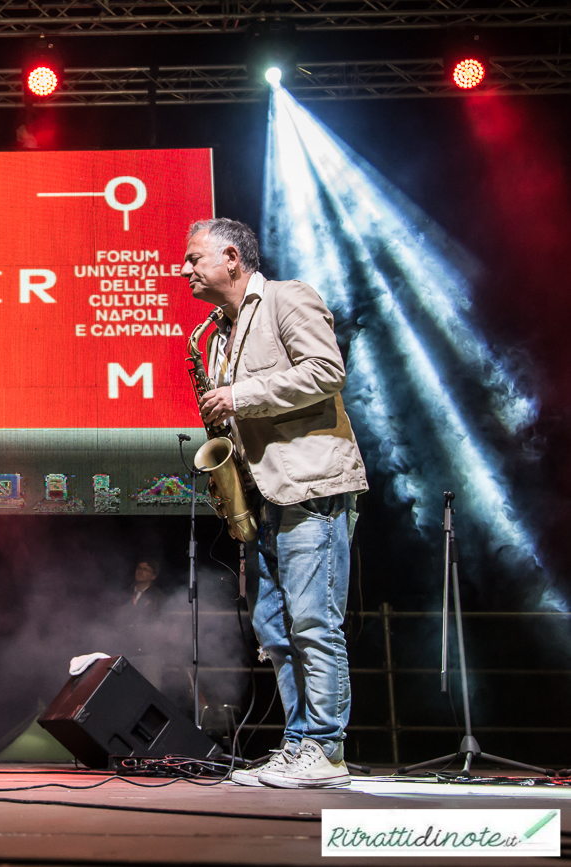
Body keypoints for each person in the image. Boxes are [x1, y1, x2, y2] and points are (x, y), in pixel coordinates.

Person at [181, 218, 367, 788]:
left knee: (314, 620)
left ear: (232, 258)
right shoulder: (212, 334)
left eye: (194, 259)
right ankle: (298, 742)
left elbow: (327, 371)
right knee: (273, 628)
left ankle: (327, 747)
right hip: (262, 495)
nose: (184, 270)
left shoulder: (289, 299)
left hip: (311, 486)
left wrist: (239, 396)